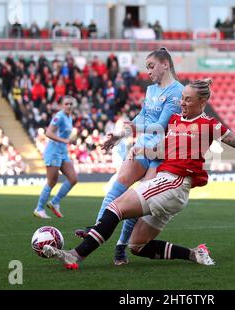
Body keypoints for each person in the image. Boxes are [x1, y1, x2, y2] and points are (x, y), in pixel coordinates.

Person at [42, 79, 235, 269]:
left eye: (188, 99)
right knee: (138, 246)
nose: (182, 102)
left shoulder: (209, 125)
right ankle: (194, 253)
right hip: (172, 190)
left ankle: (75, 255)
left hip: (174, 182)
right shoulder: (175, 120)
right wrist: (145, 147)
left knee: (115, 209)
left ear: (202, 102)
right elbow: (166, 147)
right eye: (182, 98)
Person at [75, 48, 184, 265]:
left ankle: (120, 248)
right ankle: (97, 229)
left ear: (165, 64)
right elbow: (143, 116)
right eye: (147, 68)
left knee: (139, 200)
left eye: (151, 66)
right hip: (142, 146)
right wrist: (119, 134)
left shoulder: (177, 91)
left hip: (160, 153)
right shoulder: (151, 90)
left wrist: (131, 130)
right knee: (118, 186)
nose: (148, 72)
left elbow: (160, 125)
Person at [33, 96, 78, 219]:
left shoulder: (69, 117)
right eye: (66, 103)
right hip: (53, 152)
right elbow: (48, 132)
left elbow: (64, 136)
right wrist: (64, 140)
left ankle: (54, 202)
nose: (69, 105)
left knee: (73, 178)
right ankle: (39, 208)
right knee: (52, 181)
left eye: (70, 103)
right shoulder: (59, 116)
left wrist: (70, 141)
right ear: (61, 105)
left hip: (63, 152)